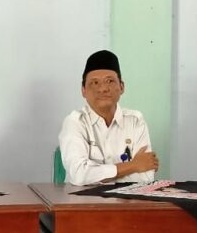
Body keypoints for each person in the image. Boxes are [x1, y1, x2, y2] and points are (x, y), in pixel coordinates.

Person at [58, 49, 158, 186]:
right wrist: (133, 165)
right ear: (83, 90)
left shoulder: (135, 120)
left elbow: (146, 175)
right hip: (82, 198)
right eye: (95, 83)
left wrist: (96, 175)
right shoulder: (75, 122)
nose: (103, 89)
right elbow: (79, 175)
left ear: (121, 87)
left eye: (110, 81)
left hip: (129, 199)